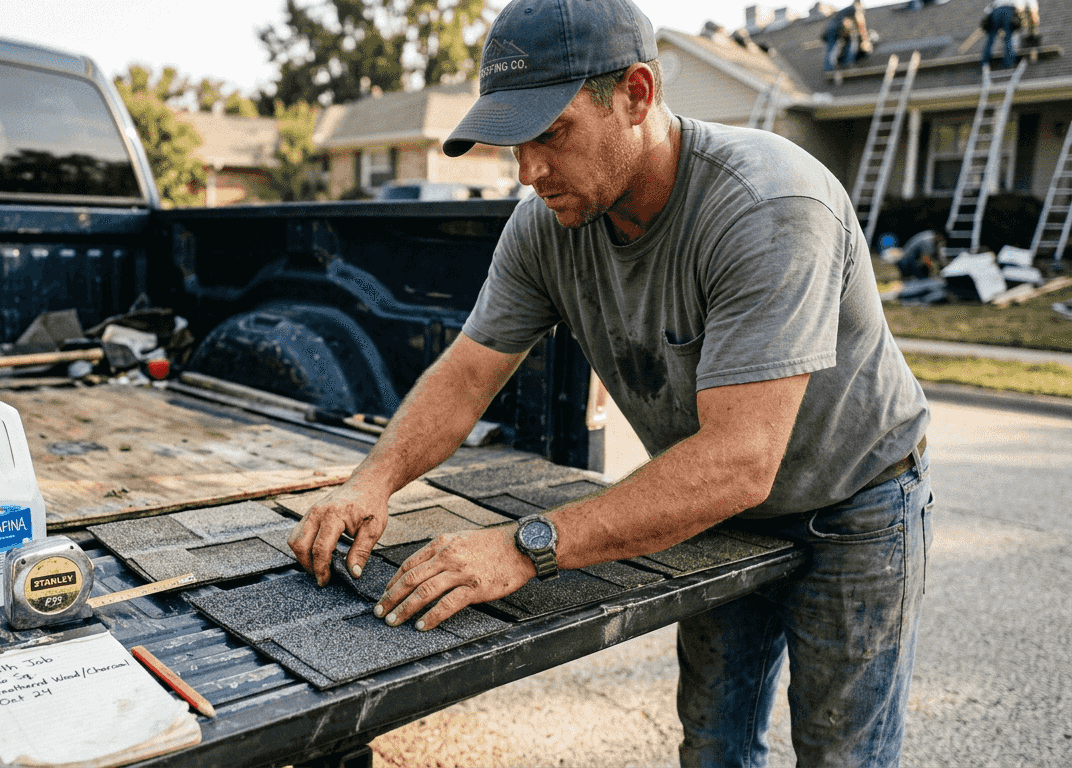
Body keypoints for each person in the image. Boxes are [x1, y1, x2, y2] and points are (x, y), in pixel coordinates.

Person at [287, 0, 933, 765]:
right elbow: (467, 372)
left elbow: (739, 460)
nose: (528, 171)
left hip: (854, 503)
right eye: (513, 142)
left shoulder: (768, 204)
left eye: (550, 134)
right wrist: (373, 482)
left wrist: (528, 545)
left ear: (636, 93)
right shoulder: (544, 226)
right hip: (722, 509)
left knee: (842, 754)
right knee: (715, 743)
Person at [981, 0, 1038, 68]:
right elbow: (1032, 4)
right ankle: (1009, 63)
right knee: (1008, 38)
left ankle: (985, 62)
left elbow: (988, 8)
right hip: (1009, 11)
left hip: (996, 11)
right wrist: (1034, 15)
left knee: (990, 38)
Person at [823, 0, 869, 72]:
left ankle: (831, 67)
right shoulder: (855, 8)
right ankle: (845, 64)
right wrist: (865, 40)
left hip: (831, 30)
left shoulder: (846, 11)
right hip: (836, 30)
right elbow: (861, 25)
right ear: (859, 4)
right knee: (852, 41)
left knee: (833, 48)